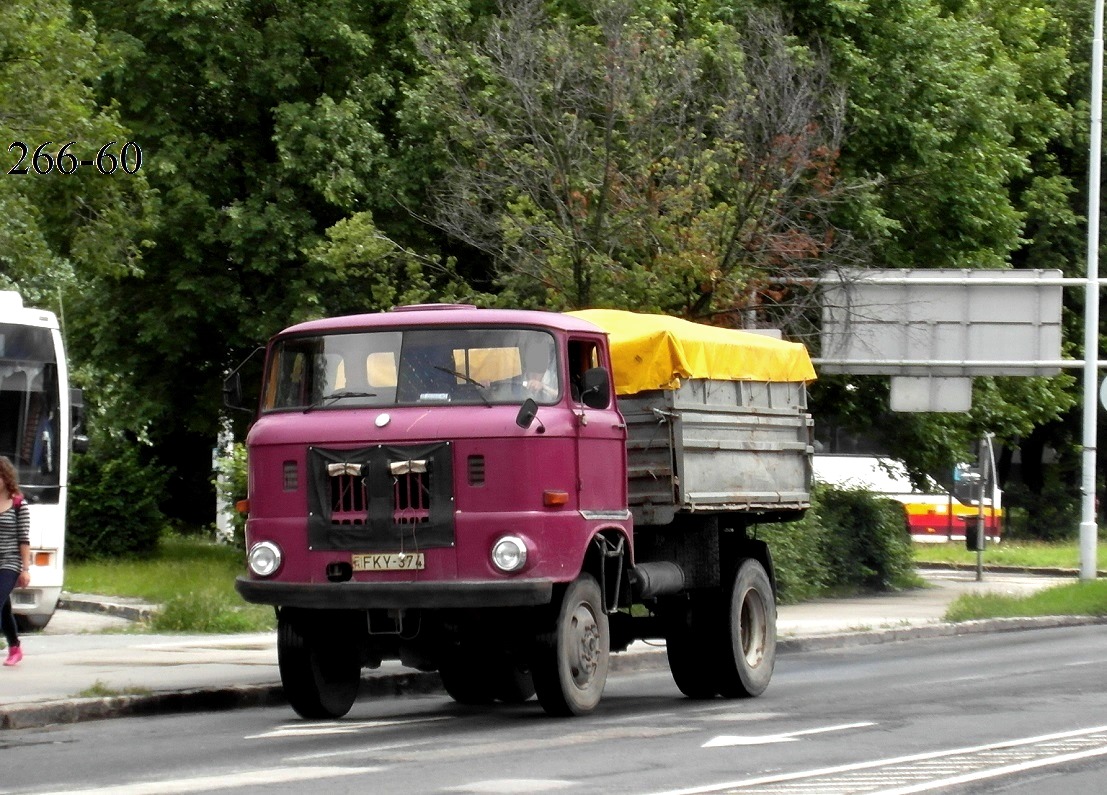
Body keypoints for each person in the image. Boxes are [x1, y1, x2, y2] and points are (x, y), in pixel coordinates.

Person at [0, 455, 30, 667]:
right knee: (3, 609)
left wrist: (25, 569)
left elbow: (24, 539)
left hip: (9, 562)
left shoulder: (19, 504)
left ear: (6, 477)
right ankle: (14, 647)